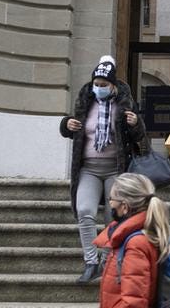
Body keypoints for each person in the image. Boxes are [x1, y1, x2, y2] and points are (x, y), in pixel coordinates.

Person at [59, 56, 147, 284]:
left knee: (112, 217)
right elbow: (71, 129)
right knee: (84, 211)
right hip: (88, 168)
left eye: (103, 84)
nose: (99, 88)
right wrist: (67, 124)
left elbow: (139, 136)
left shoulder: (124, 104)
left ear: (113, 85)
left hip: (115, 170)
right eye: (96, 84)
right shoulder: (85, 101)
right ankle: (91, 262)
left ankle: (107, 262)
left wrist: (135, 123)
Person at [94, 173, 170, 308]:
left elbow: (134, 302)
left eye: (111, 199)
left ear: (124, 206)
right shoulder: (136, 236)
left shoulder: (135, 244)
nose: (110, 204)